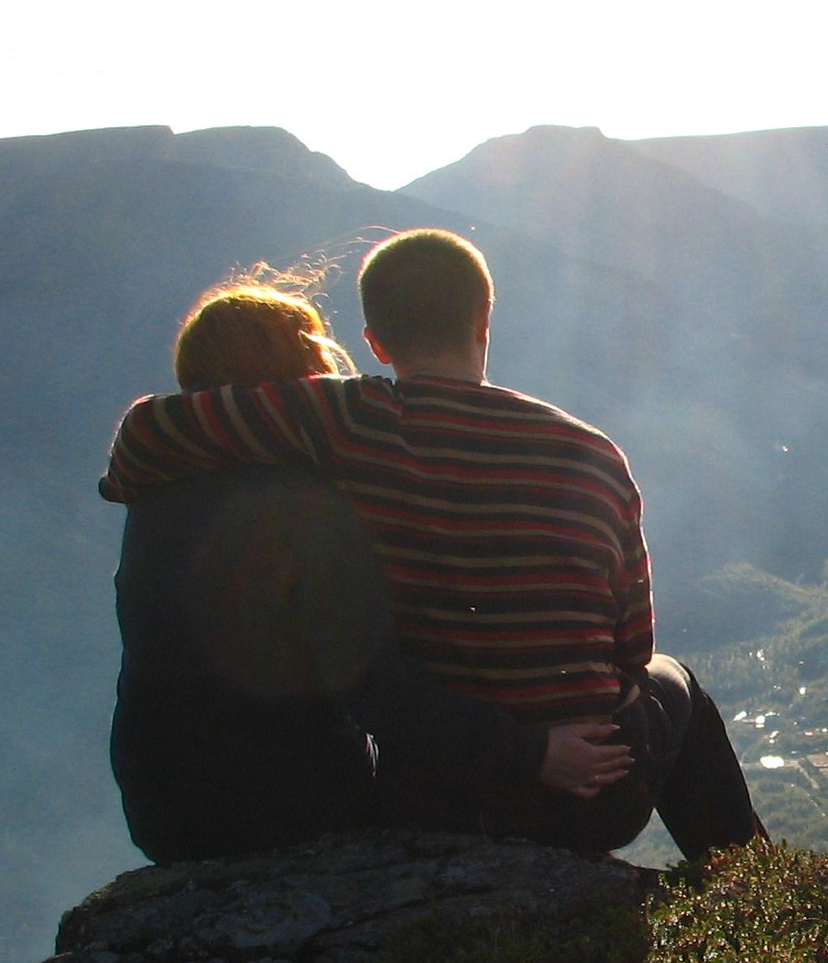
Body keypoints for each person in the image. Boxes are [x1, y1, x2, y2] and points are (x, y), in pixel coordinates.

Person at [102, 232, 766, 860]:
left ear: (374, 342)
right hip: (580, 789)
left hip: (393, 802)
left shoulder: (346, 425)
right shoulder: (592, 454)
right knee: (674, 680)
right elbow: (632, 647)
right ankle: (764, 892)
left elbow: (149, 428)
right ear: (484, 320)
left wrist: (127, 481)